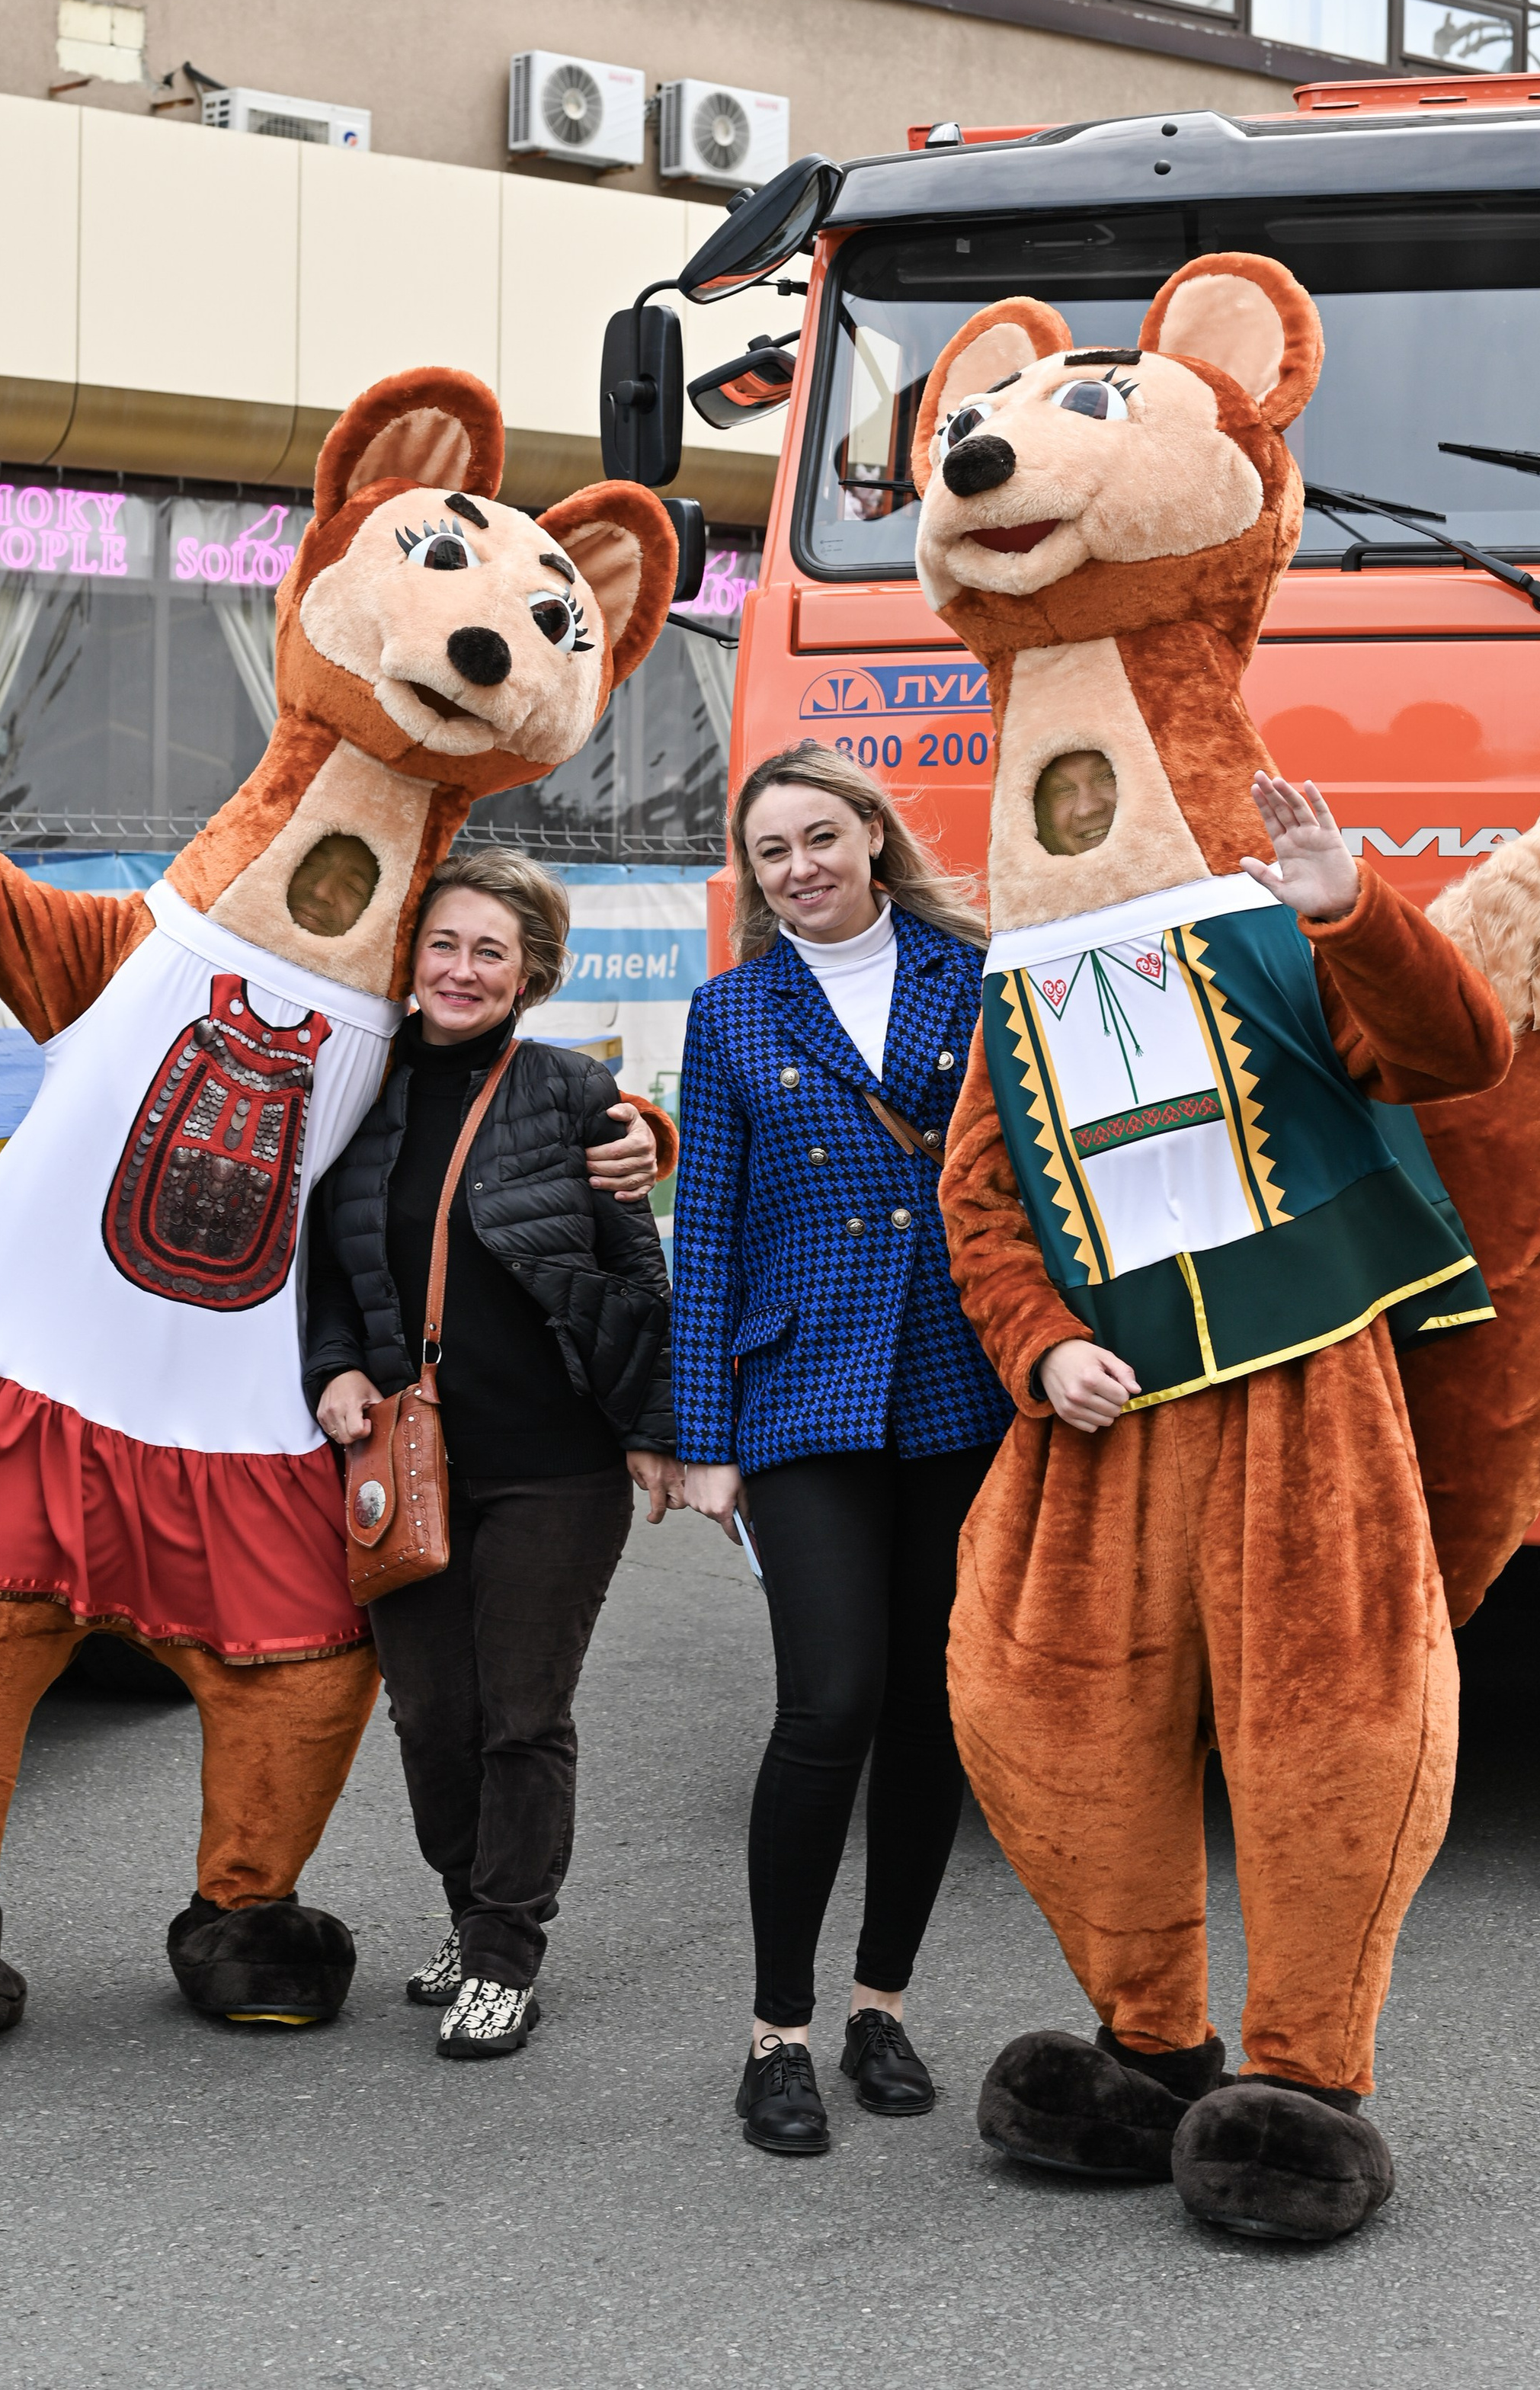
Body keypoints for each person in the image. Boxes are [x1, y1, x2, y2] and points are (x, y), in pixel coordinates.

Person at [674, 743, 1014, 2155]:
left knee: (935, 1710)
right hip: (803, 1389)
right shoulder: (732, 1011)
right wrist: (703, 1440)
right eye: (772, 852)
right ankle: (778, 2032)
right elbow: (707, 1230)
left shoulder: (978, 979)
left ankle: (880, 2004)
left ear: (874, 838)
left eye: (823, 837)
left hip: (957, 1381)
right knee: (832, 1701)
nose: (799, 867)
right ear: (752, 876)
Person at [302, 849, 680, 2062]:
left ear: (532, 976)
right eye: (446, 946)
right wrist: (334, 1371)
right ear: (410, 959)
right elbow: (324, 1265)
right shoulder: (355, 1090)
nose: (462, 971)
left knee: (522, 1714)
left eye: (491, 954)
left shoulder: (575, 1095)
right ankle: (472, 1912)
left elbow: (637, 1274)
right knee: (430, 1717)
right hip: (408, 1460)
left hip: (555, 1465)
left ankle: (507, 1950)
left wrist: (656, 1432)